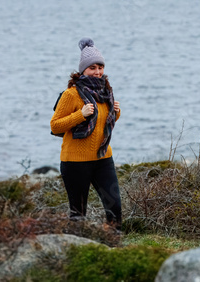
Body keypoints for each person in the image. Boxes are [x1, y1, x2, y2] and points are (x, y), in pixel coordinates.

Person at [50, 37, 122, 231]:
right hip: (75, 162)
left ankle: (111, 247)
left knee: (115, 208)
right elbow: (55, 126)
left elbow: (103, 123)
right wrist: (79, 115)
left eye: (100, 67)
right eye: (92, 68)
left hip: (102, 157)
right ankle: (79, 250)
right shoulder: (71, 94)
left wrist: (116, 112)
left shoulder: (106, 90)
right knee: (78, 215)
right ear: (83, 70)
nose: (97, 72)